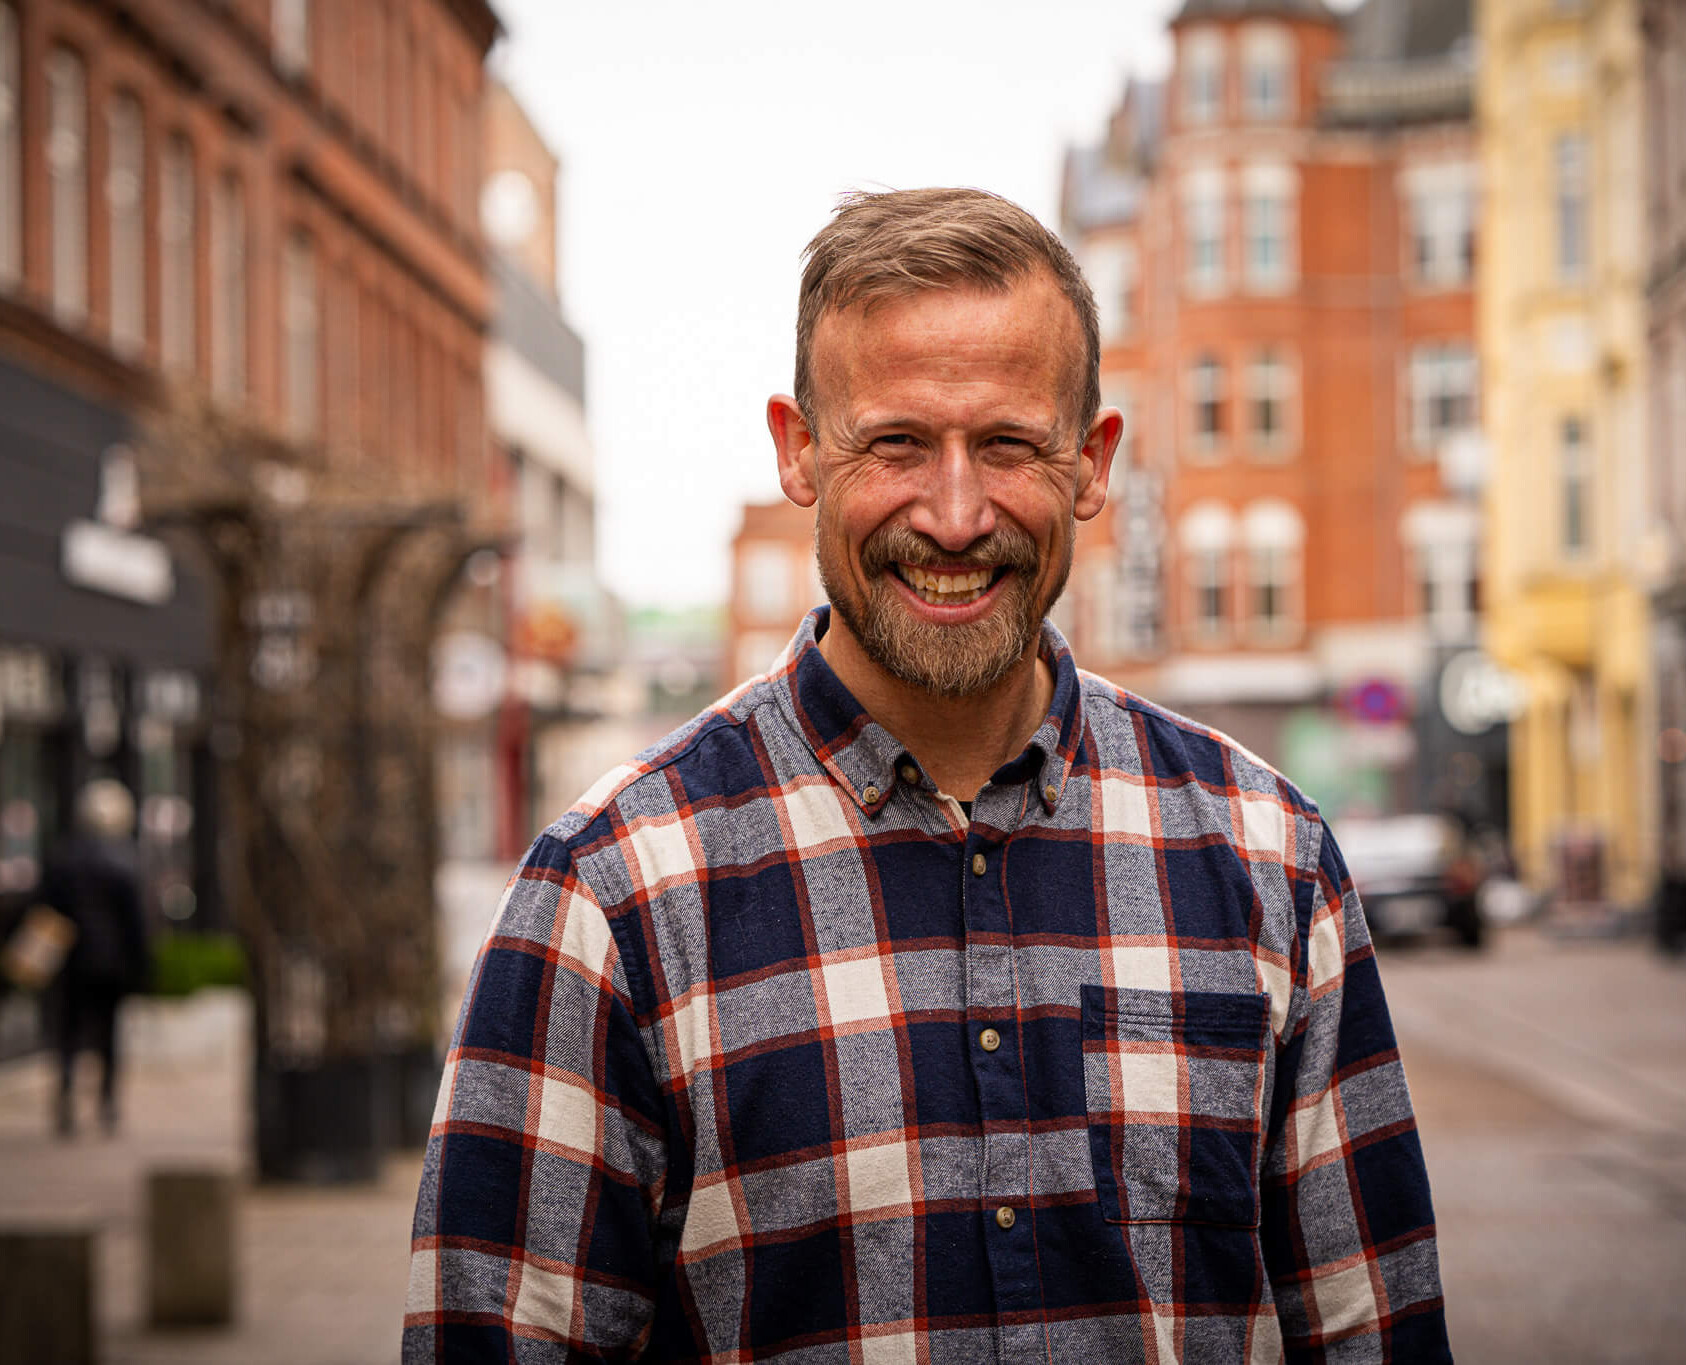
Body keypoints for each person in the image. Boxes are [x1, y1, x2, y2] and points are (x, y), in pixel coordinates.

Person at [406, 188, 1450, 1362]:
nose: (953, 516)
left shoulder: (1265, 857)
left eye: (1007, 444)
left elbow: (1376, 1331)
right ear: (799, 451)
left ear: (1091, 461)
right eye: (894, 443)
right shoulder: (611, 895)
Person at [41, 778, 150, 1136]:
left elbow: (43, 909)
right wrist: (143, 966)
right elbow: (136, 921)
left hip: (70, 959)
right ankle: (106, 1101)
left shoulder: (63, 857)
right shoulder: (123, 860)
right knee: (108, 1032)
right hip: (110, 961)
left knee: (69, 1030)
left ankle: (67, 1092)